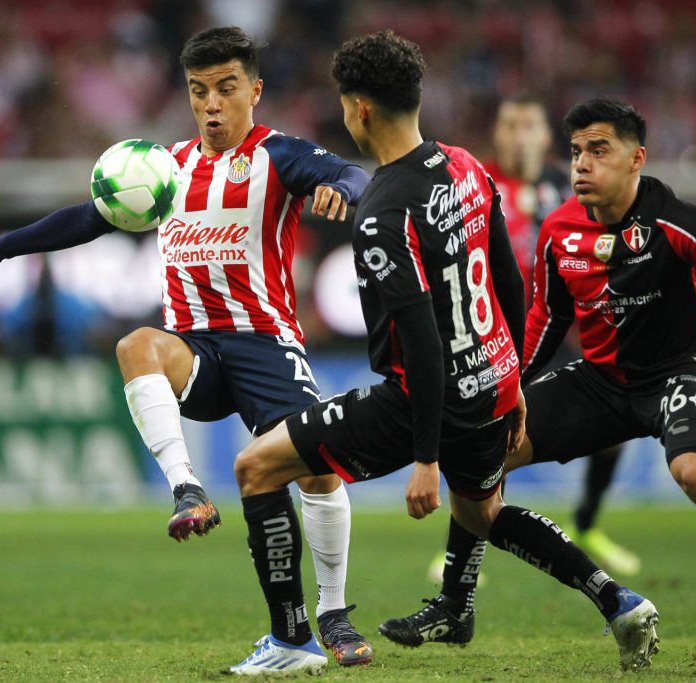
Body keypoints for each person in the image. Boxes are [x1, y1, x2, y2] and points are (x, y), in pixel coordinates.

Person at [225, 31, 659, 676]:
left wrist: (425, 458)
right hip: (491, 385)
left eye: (344, 104)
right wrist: (513, 381)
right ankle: (618, 602)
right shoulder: (465, 166)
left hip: (420, 402)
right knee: (483, 514)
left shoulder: (382, 212)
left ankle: (291, 641)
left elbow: (422, 342)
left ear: (360, 109)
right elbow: (510, 281)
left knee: (256, 467)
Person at [0, 26, 374, 667]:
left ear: (254, 91)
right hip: (194, 349)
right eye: (199, 90)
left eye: (226, 88)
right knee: (137, 344)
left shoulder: (278, 155)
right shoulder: (163, 170)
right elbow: (83, 218)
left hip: (265, 344)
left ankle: (333, 615)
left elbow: (350, 172)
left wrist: (343, 189)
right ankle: (187, 490)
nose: (211, 104)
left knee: (315, 471)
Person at [383, 97, 696, 657]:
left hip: (678, 374)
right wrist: (506, 388)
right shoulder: (559, 229)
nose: (582, 163)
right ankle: (454, 606)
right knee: (480, 451)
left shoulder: (677, 218)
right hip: (601, 382)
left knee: (695, 470)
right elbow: (546, 321)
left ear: (637, 158)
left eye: (599, 150)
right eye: (576, 151)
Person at [420, 96, 639, 615]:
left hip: (560, 329)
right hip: (495, 332)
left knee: (614, 428)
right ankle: (460, 553)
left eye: (530, 125)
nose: (519, 134)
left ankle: (588, 525)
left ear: (546, 136)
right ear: (497, 134)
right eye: (510, 124)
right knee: (491, 439)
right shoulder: (471, 183)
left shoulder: (570, 185)